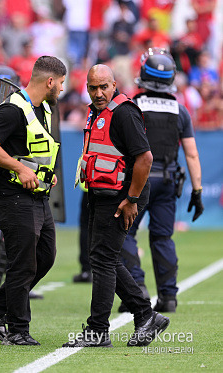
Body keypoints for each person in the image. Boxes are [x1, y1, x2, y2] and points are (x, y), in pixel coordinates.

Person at [64, 64, 169, 348]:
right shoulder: (98, 111)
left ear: (114, 85)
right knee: (103, 258)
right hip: (103, 194)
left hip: (121, 196)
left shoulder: (124, 112)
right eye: (93, 88)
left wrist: (132, 199)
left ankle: (99, 329)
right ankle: (145, 315)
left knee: (103, 260)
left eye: (104, 87)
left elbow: (145, 158)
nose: (98, 93)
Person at [0, 56, 64, 346]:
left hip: (38, 196)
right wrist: (20, 168)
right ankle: (17, 331)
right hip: (13, 196)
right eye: (61, 83)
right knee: (23, 263)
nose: (62, 89)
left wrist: (45, 174)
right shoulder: (14, 108)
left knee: (45, 258)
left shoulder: (45, 109)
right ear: (49, 81)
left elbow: (35, 151)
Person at [120, 48, 203, 313]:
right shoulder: (180, 111)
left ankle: (137, 288)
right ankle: (168, 297)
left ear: (143, 75)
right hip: (167, 181)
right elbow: (191, 153)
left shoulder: (130, 105)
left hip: (136, 181)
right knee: (163, 238)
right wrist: (197, 190)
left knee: (124, 234)